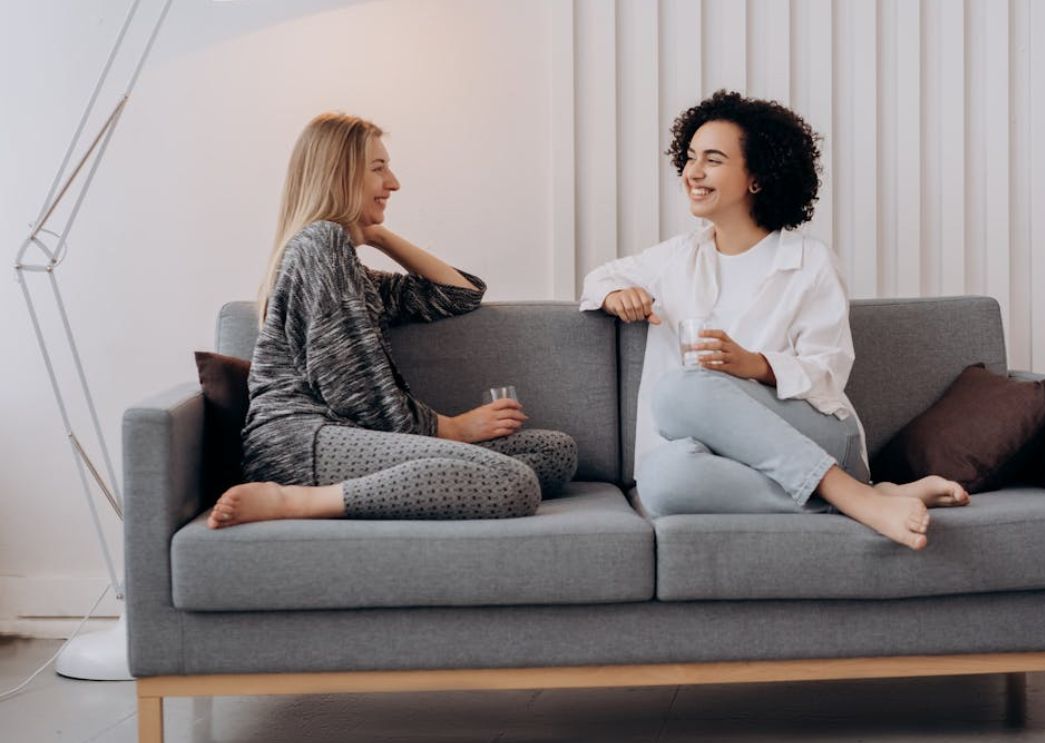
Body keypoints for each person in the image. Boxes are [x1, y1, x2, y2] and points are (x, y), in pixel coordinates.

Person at [580, 90, 966, 550]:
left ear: (757, 178)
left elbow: (829, 372)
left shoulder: (809, 261)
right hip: (721, 457)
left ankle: (848, 488)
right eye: (690, 157)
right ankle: (859, 498)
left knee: (681, 388)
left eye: (713, 160)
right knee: (661, 478)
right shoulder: (677, 258)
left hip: (817, 436)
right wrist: (616, 293)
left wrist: (756, 365)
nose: (693, 173)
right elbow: (598, 278)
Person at [207, 112, 576, 529]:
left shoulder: (349, 265)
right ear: (338, 173)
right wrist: (451, 429)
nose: (394, 183)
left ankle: (399, 485)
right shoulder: (318, 245)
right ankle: (294, 501)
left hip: (345, 436)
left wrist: (375, 233)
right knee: (513, 484)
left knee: (555, 452)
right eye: (378, 169)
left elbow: (460, 294)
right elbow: (356, 389)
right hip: (301, 441)